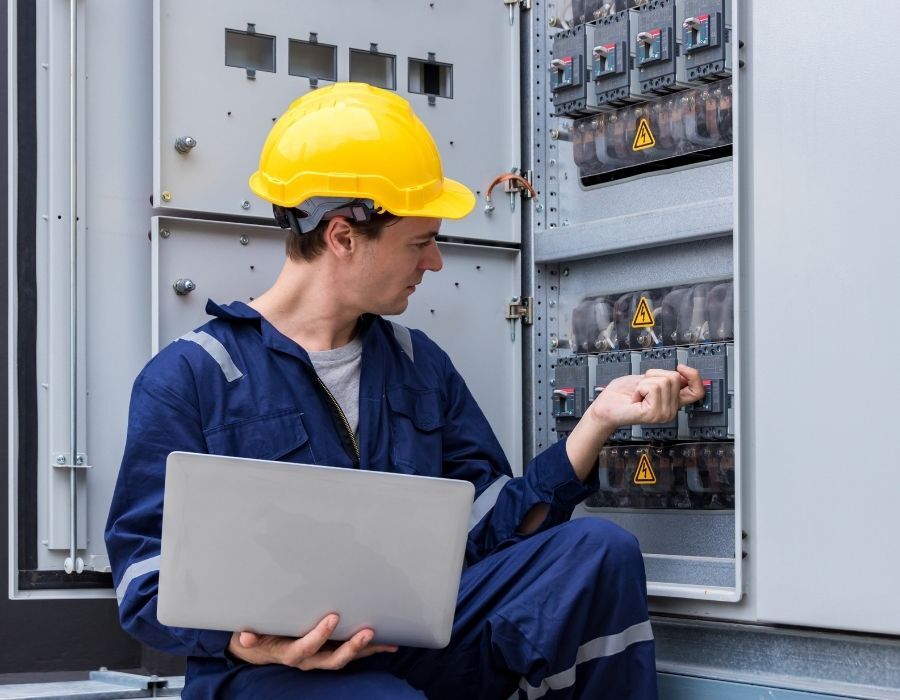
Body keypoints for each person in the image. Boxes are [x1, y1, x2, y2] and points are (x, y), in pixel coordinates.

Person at [105, 82, 704, 699]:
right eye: (420, 241)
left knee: (598, 551)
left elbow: (488, 527)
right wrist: (246, 640)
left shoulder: (420, 367)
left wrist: (596, 422)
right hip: (269, 674)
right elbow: (143, 579)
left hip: (413, 646)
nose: (436, 262)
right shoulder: (192, 377)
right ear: (342, 236)